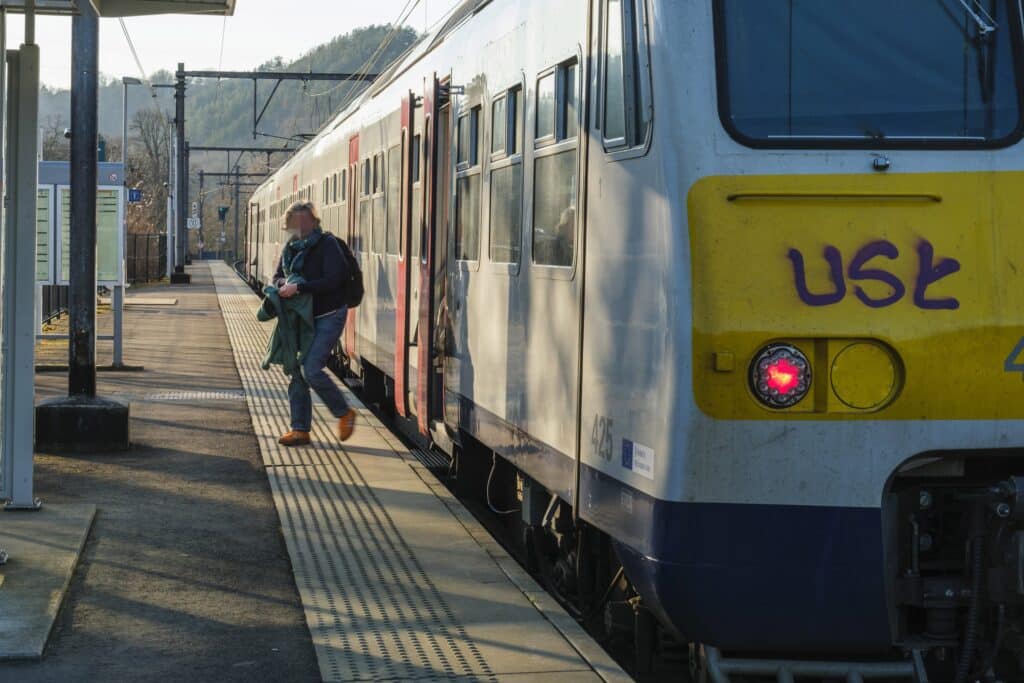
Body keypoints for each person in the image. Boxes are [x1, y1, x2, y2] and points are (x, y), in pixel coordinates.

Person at [273, 201, 356, 447]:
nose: (296, 227)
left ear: (312, 222)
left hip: (329, 314)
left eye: (301, 222)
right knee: (297, 370)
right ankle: (300, 430)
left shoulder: (327, 244)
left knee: (311, 368)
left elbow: (334, 279)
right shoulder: (289, 248)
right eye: (292, 223)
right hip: (302, 317)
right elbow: (277, 276)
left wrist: (299, 287)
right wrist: (281, 286)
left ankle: (344, 412)